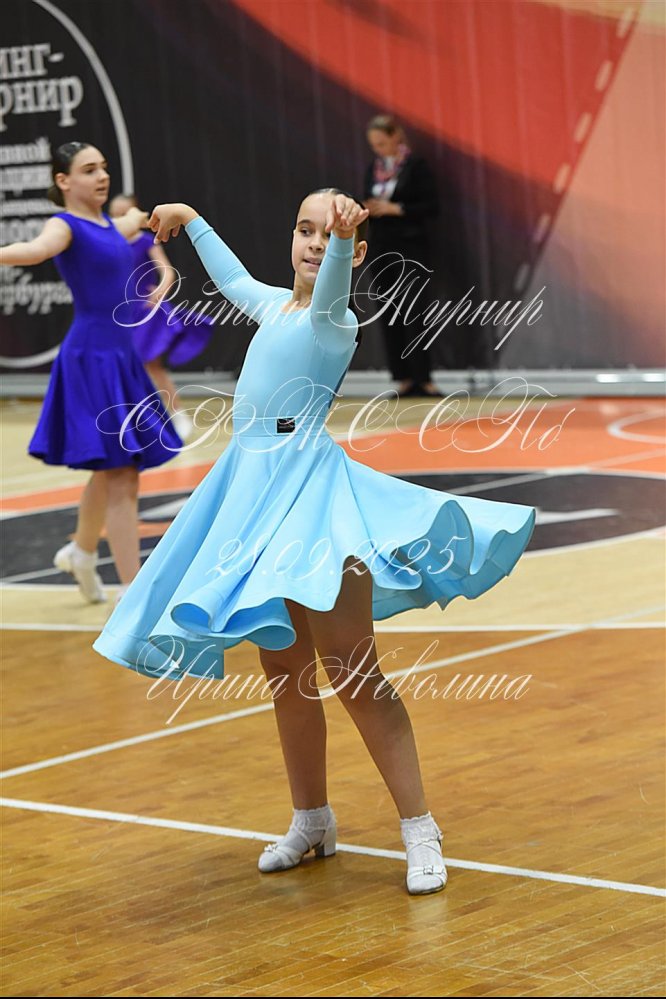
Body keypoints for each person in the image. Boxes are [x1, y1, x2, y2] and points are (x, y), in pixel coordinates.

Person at [92, 189, 536, 895]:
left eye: (326, 236)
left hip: (312, 500)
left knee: (353, 672)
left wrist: (341, 241)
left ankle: (420, 829)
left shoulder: (336, 320)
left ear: (352, 254)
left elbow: (329, 291)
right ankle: (312, 820)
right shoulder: (275, 306)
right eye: (304, 229)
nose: (312, 242)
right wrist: (192, 220)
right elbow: (232, 278)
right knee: (285, 672)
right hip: (251, 497)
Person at [0, 142, 182, 605]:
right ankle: (133, 594)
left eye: (103, 167)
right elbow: (35, 250)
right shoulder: (64, 226)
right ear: (63, 181)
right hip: (92, 358)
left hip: (120, 356)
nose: (102, 176)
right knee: (122, 473)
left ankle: (82, 552)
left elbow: (139, 220)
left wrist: (163, 219)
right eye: (88, 170)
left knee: (111, 468)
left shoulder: (113, 225)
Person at [109, 193, 215, 441]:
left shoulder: (145, 241)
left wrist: (159, 291)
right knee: (123, 367)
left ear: (137, 214)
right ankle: (132, 421)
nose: (121, 217)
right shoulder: (110, 243)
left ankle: (177, 414)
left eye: (125, 213)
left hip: (144, 312)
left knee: (152, 366)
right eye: (116, 214)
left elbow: (167, 270)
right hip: (119, 313)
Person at [363, 113, 442, 398]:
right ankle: (403, 378)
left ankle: (424, 377)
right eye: (374, 145)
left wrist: (396, 208)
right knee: (389, 311)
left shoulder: (415, 166)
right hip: (381, 247)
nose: (378, 149)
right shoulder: (374, 168)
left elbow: (431, 206)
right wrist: (369, 208)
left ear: (396, 136)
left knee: (414, 311)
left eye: (382, 143)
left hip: (410, 246)